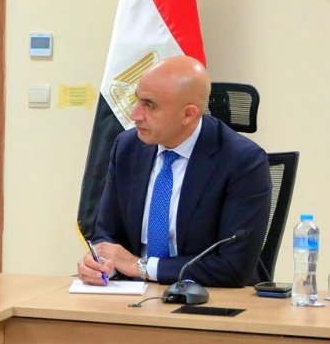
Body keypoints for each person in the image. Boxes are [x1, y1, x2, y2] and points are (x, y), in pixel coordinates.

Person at [79, 55, 271, 289]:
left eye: (150, 105)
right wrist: (101, 262)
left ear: (188, 114)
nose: (134, 115)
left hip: (209, 297)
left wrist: (141, 267)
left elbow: (233, 266)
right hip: (133, 294)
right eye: (137, 100)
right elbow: (107, 233)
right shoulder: (127, 147)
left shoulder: (242, 161)